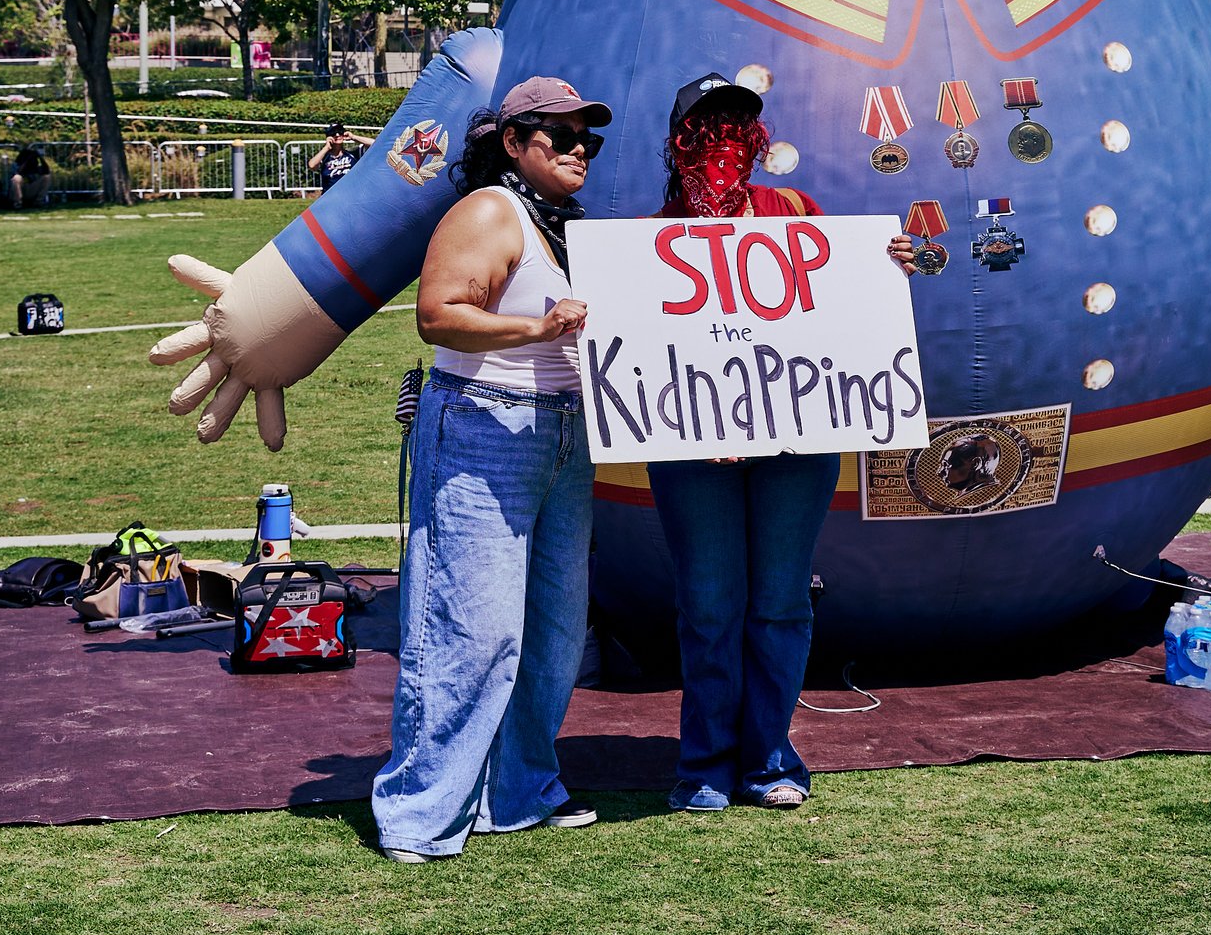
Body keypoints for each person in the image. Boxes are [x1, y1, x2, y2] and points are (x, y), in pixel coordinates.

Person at [646, 73, 918, 814]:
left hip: (797, 442)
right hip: (690, 449)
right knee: (708, 603)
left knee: (780, 601)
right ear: (679, 140)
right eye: (708, 126)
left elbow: (841, 306)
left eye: (739, 123)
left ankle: (769, 753)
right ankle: (704, 760)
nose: (725, 140)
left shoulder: (793, 212)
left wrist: (882, 264)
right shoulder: (651, 238)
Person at [371, 76, 611, 862]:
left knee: (553, 628)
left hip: (565, 434)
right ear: (513, 142)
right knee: (472, 629)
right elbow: (438, 312)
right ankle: (421, 812)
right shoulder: (487, 211)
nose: (579, 147)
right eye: (560, 134)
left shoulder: (569, 225)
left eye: (589, 138)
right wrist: (534, 326)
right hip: (485, 426)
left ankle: (521, 789)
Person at [312, 122, 368, 192]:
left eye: (340, 131)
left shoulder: (353, 153)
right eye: (333, 133)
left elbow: (375, 144)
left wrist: (354, 137)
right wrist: (326, 147)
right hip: (331, 196)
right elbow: (312, 165)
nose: (337, 135)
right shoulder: (325, 156)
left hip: (351, 194)